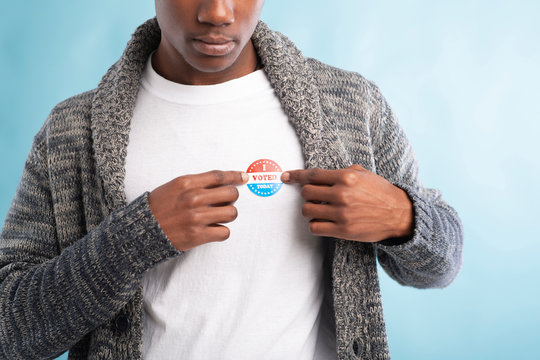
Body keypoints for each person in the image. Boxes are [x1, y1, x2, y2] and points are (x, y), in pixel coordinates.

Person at [0, 1, 463, 359]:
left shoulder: (350, 106)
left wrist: (401, 216)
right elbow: (9, 331)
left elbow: (444, 262)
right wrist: (129, 241)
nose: (217, 13)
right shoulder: (72, 132)